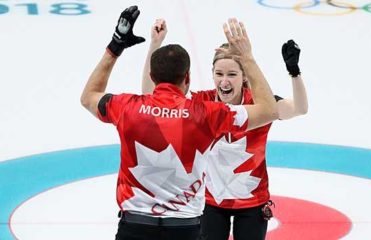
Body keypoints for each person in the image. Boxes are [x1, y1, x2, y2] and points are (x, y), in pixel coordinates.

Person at [80, 6, 278, 240]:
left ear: (153, 77)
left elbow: (89, 96)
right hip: (184, 229)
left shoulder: (126, 107)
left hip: (134, 226)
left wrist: (115, 47)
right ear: (187, 78)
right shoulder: (207, 114)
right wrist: (247, 58)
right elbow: (268, 110)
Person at [141, 19, 308, 240]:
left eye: (232, 74)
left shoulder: (261, 103)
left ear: (244, 77)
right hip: (210, 201)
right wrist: (155, 45)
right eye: (219, 74)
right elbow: (151, 97)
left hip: (253, 202)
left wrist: (294, 72)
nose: (224, 81)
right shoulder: (200, 103)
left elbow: (300, 108)